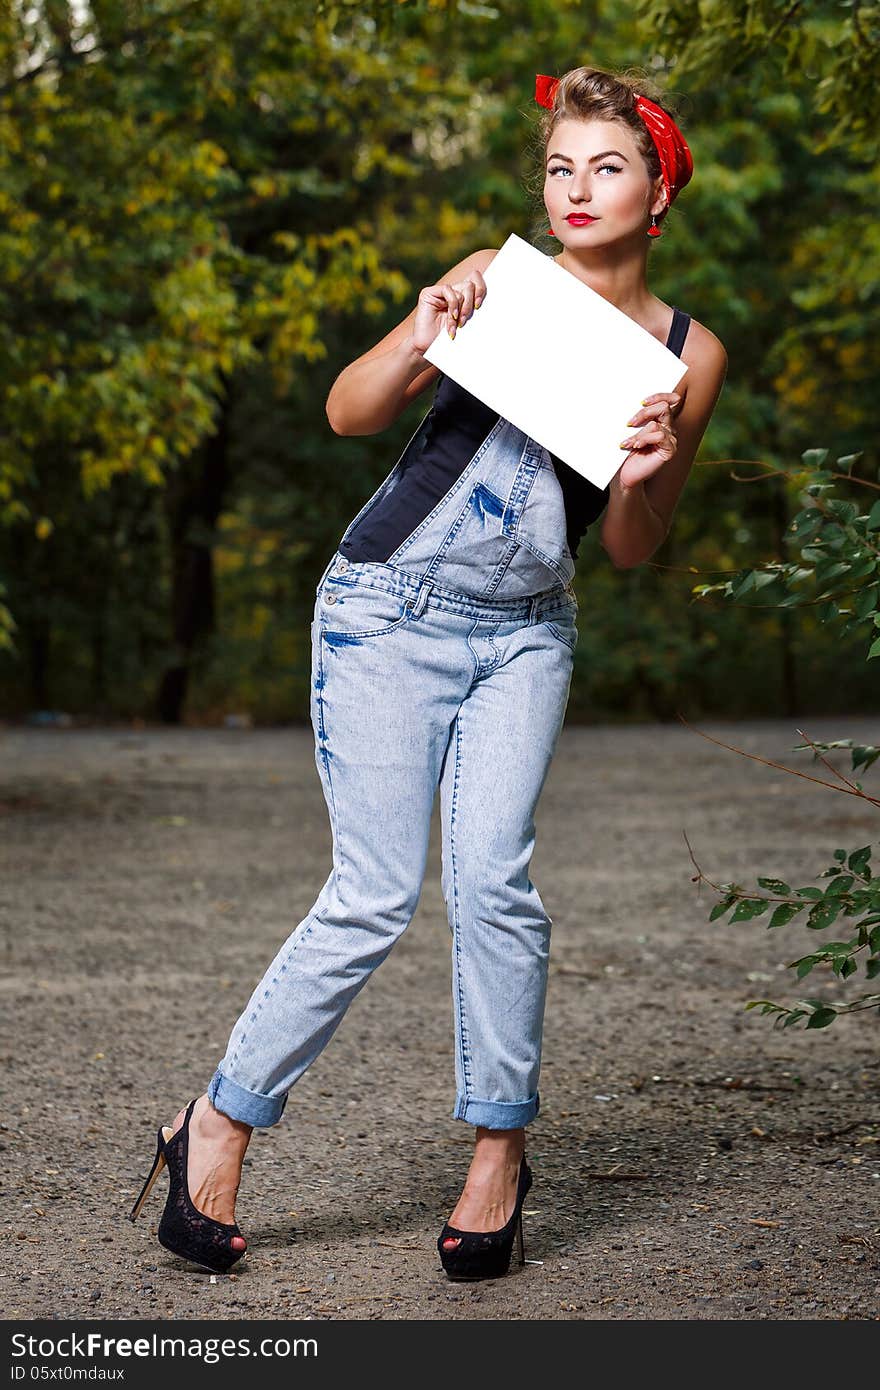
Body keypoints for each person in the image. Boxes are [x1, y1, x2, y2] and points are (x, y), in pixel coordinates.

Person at [129, 64, 727, 1283]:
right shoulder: (504, 285)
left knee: (498, 885)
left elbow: (627, 545)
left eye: (606, 166)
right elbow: (352, 413)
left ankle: (497, 1158)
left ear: (658, 189)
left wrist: (647, 471)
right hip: (385, 609)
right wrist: (422, 327)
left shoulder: (684, 349)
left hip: (525, 631)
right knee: (372, 892)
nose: (577, 187)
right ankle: (218, 1122)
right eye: (559, 166)